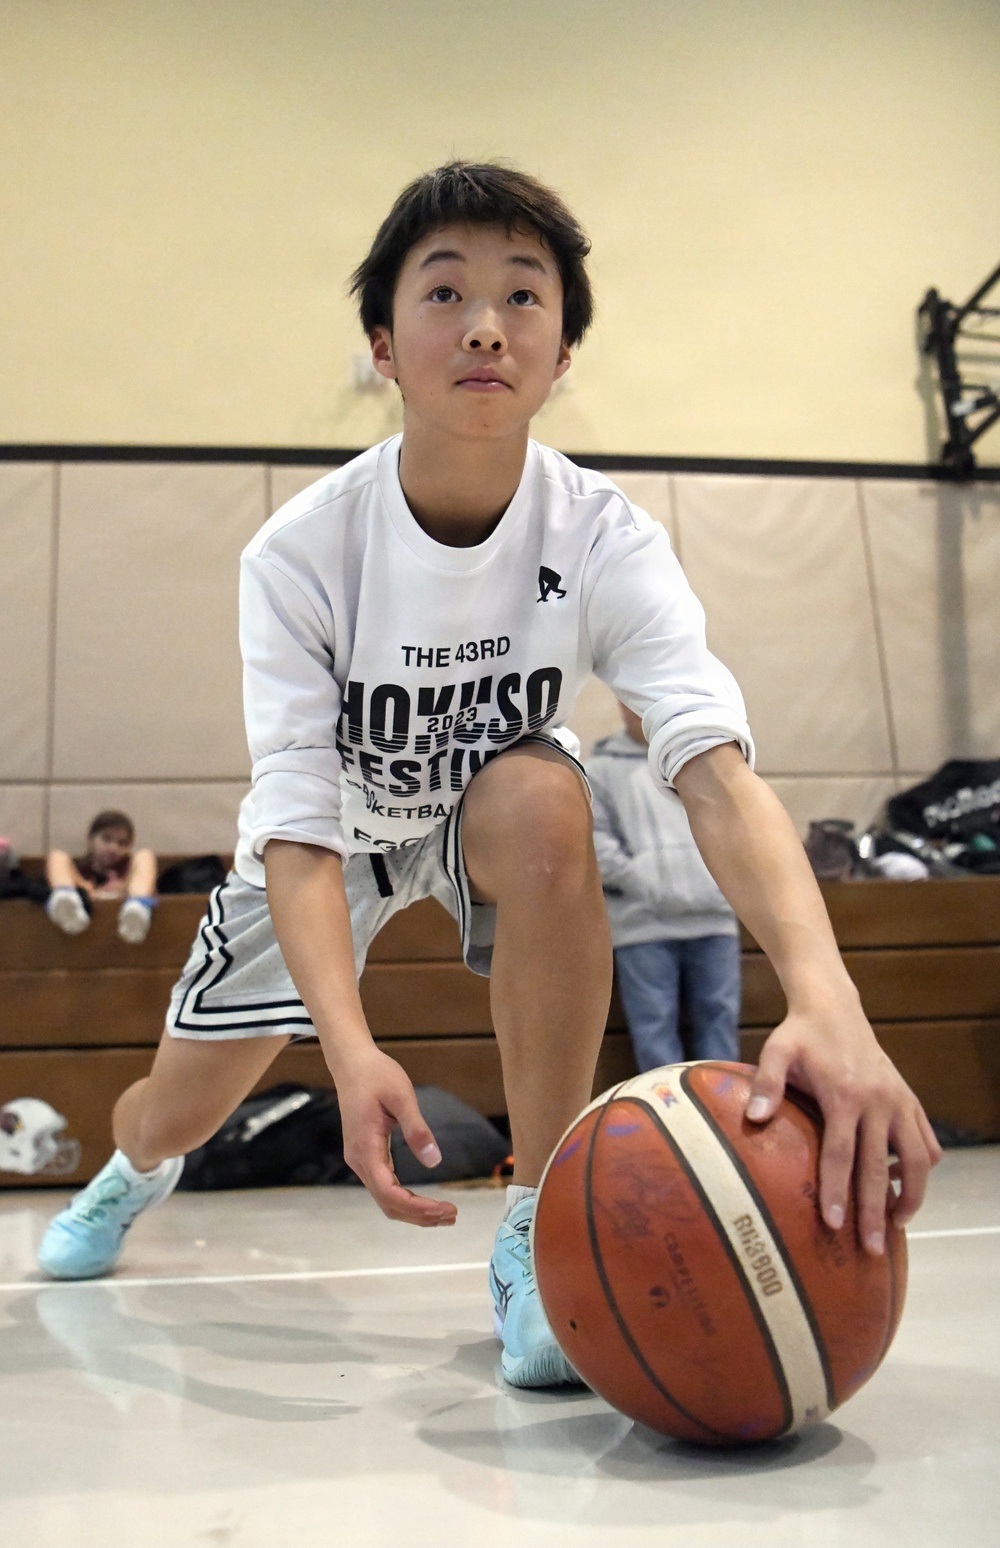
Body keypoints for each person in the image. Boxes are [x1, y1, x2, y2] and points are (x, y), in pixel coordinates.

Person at [38, 162, 940, 1390]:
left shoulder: (606, 536)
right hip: (331, 846)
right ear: (382, 344)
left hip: (484, 822)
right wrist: (349, 1053)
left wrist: (827, 994)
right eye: (445, 292)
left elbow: (712, 768)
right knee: (177, 1110)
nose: (483, 324)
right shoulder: (300, 553)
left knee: (542, 791)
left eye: (524, 297)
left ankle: (532, 1221)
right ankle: (131, 1169)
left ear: (561, 350)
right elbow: (299, 829)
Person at [589, 703, 741, 1070]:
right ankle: (662, 1120)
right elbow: (594, 840)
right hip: (641, 924)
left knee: (720, 1020)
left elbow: (737, 827)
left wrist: (724, 884)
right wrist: (645, 883)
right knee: (653, 1028)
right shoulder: (599, 771)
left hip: (715, 917)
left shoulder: (708, 760)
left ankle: (720, 1114)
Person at [45, 810, 157, 945]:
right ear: (91, 839)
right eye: (106, 839)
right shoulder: (78, 871)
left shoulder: (132, 868)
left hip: (126, 911)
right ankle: (66, 901)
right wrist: (86, 888)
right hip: (82, 921)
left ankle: (137, 907)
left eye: (122, 843)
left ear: (129, 847)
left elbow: (147, 884)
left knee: (145, 854)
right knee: (57, 855)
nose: (113, 848)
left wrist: (125, 887)